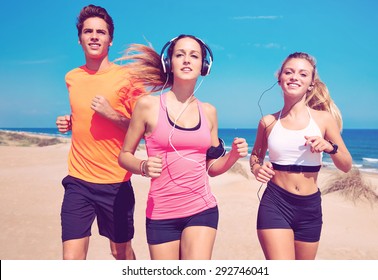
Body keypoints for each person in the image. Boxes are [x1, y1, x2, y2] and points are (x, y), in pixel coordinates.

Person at [117, 34, 248, 260]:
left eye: (194, 56)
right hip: (161, 213)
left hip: (201, 209)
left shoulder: (209, 112)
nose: (187, 60)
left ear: (203, 66)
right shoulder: (148, 105)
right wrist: (143, 166)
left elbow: (212, 168)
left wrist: (234, 156)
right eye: (180, 55)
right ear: (169, 63)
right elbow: (124, 156)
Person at [56, 4, 144, 260]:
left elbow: (144, 128)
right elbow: (84, 116)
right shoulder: (72, 77)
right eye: (88, 31)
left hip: (116, 182)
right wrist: (70, 122)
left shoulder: (128, 78)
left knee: (120, 253)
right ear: (80, 39)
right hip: (78, 181)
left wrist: (111, 114)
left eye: (100, 32)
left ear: (110, 39)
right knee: (71, 259)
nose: (94, 36)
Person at [250, 52, 352, 260]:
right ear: (280, 79)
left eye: (303, 74)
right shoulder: (267, 122)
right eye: (289, 72)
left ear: (311, 84)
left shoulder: (324, 120)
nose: (295, 77)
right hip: (275, 203)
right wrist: (257, 169)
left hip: (310, 208)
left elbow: (346, 165)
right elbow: (255, 156)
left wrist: (329, 147)